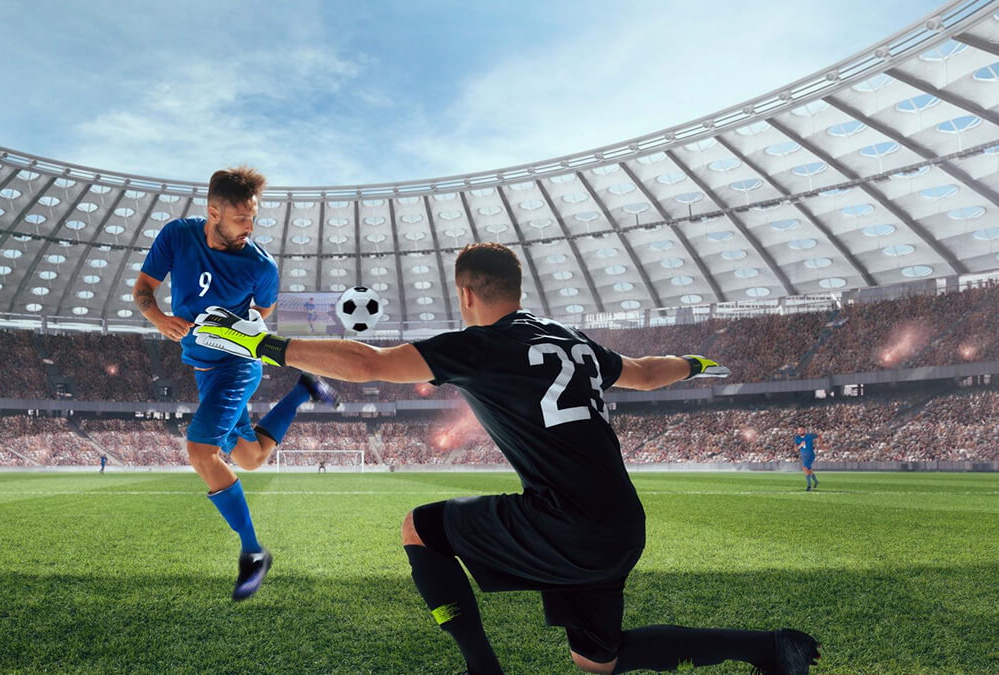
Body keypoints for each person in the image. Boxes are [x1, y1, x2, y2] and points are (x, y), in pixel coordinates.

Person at [195, 242, 820, 674]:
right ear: (516, 291)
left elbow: (369, 365)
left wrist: (261, 341)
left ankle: (481, 669)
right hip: (621, 525)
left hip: (564, 522)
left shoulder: (480, 346)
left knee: (420, 526)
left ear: (466, 295)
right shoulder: (568, 339)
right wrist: (696, 364)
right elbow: (646, 373)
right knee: (597, 661)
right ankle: (769, 649)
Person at [132, 166, 339, 601]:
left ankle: (253, 552)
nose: (251, 226)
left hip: (237, 367)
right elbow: (143, 289)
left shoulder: (260, 266)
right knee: (250, 458)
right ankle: (303, 389)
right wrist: (159, 319)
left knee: (200, 451)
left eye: (254, 217)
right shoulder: (177, 236)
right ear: (213, 211)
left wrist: (232, 330)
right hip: (202, 370)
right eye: (243, 217)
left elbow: (262, 315)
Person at [794, 427, 819, 491]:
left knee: (805, 468)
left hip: (810, 455)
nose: (800, 432)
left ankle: (809, 486)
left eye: (801, 430)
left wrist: (821, 444)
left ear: (804, 430)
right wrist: (800, 445)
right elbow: (796, 449)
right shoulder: (797, 438)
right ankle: (816, 481)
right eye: (799, 431)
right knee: (809, 470)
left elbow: (818, 435)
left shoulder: (809, 436)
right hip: (804, 456)